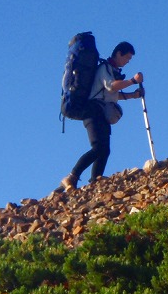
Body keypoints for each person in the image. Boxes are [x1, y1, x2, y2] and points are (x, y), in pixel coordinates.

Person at [61, 41, 143, 190]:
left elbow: (111, 95)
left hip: (99, 111)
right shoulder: (105, 68)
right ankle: (71, 177)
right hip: (93, 110)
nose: (127, 62)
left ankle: (96, 180)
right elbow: (111, 86)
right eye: (127, 58)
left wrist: (134, 95)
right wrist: (132, 81)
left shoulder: (111, 69)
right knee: (98, 147)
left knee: (104, 149)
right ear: (119, 53)